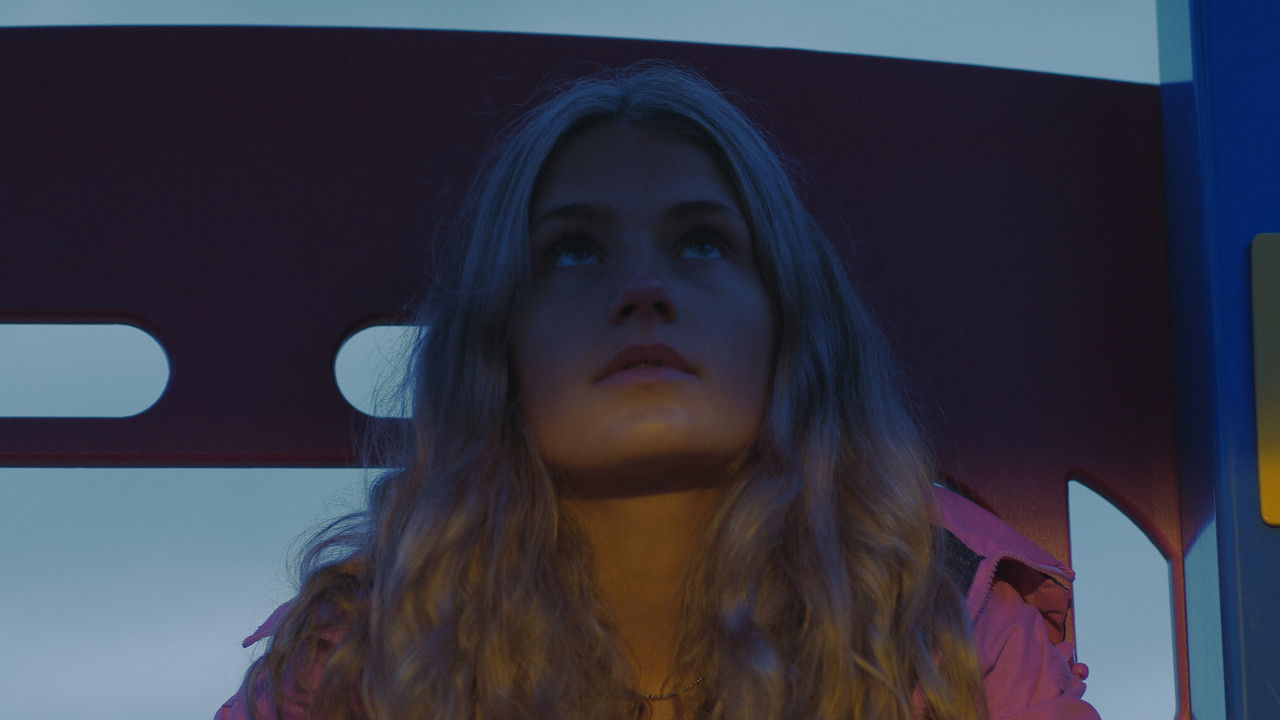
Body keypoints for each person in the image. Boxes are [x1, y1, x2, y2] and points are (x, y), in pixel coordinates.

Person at [216, 59, 1100, 720]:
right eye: (573, 251)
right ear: (499, 340)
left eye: (703, 243)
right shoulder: (359, 656)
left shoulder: (948, 631)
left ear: (789, 317)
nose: (643, 288)